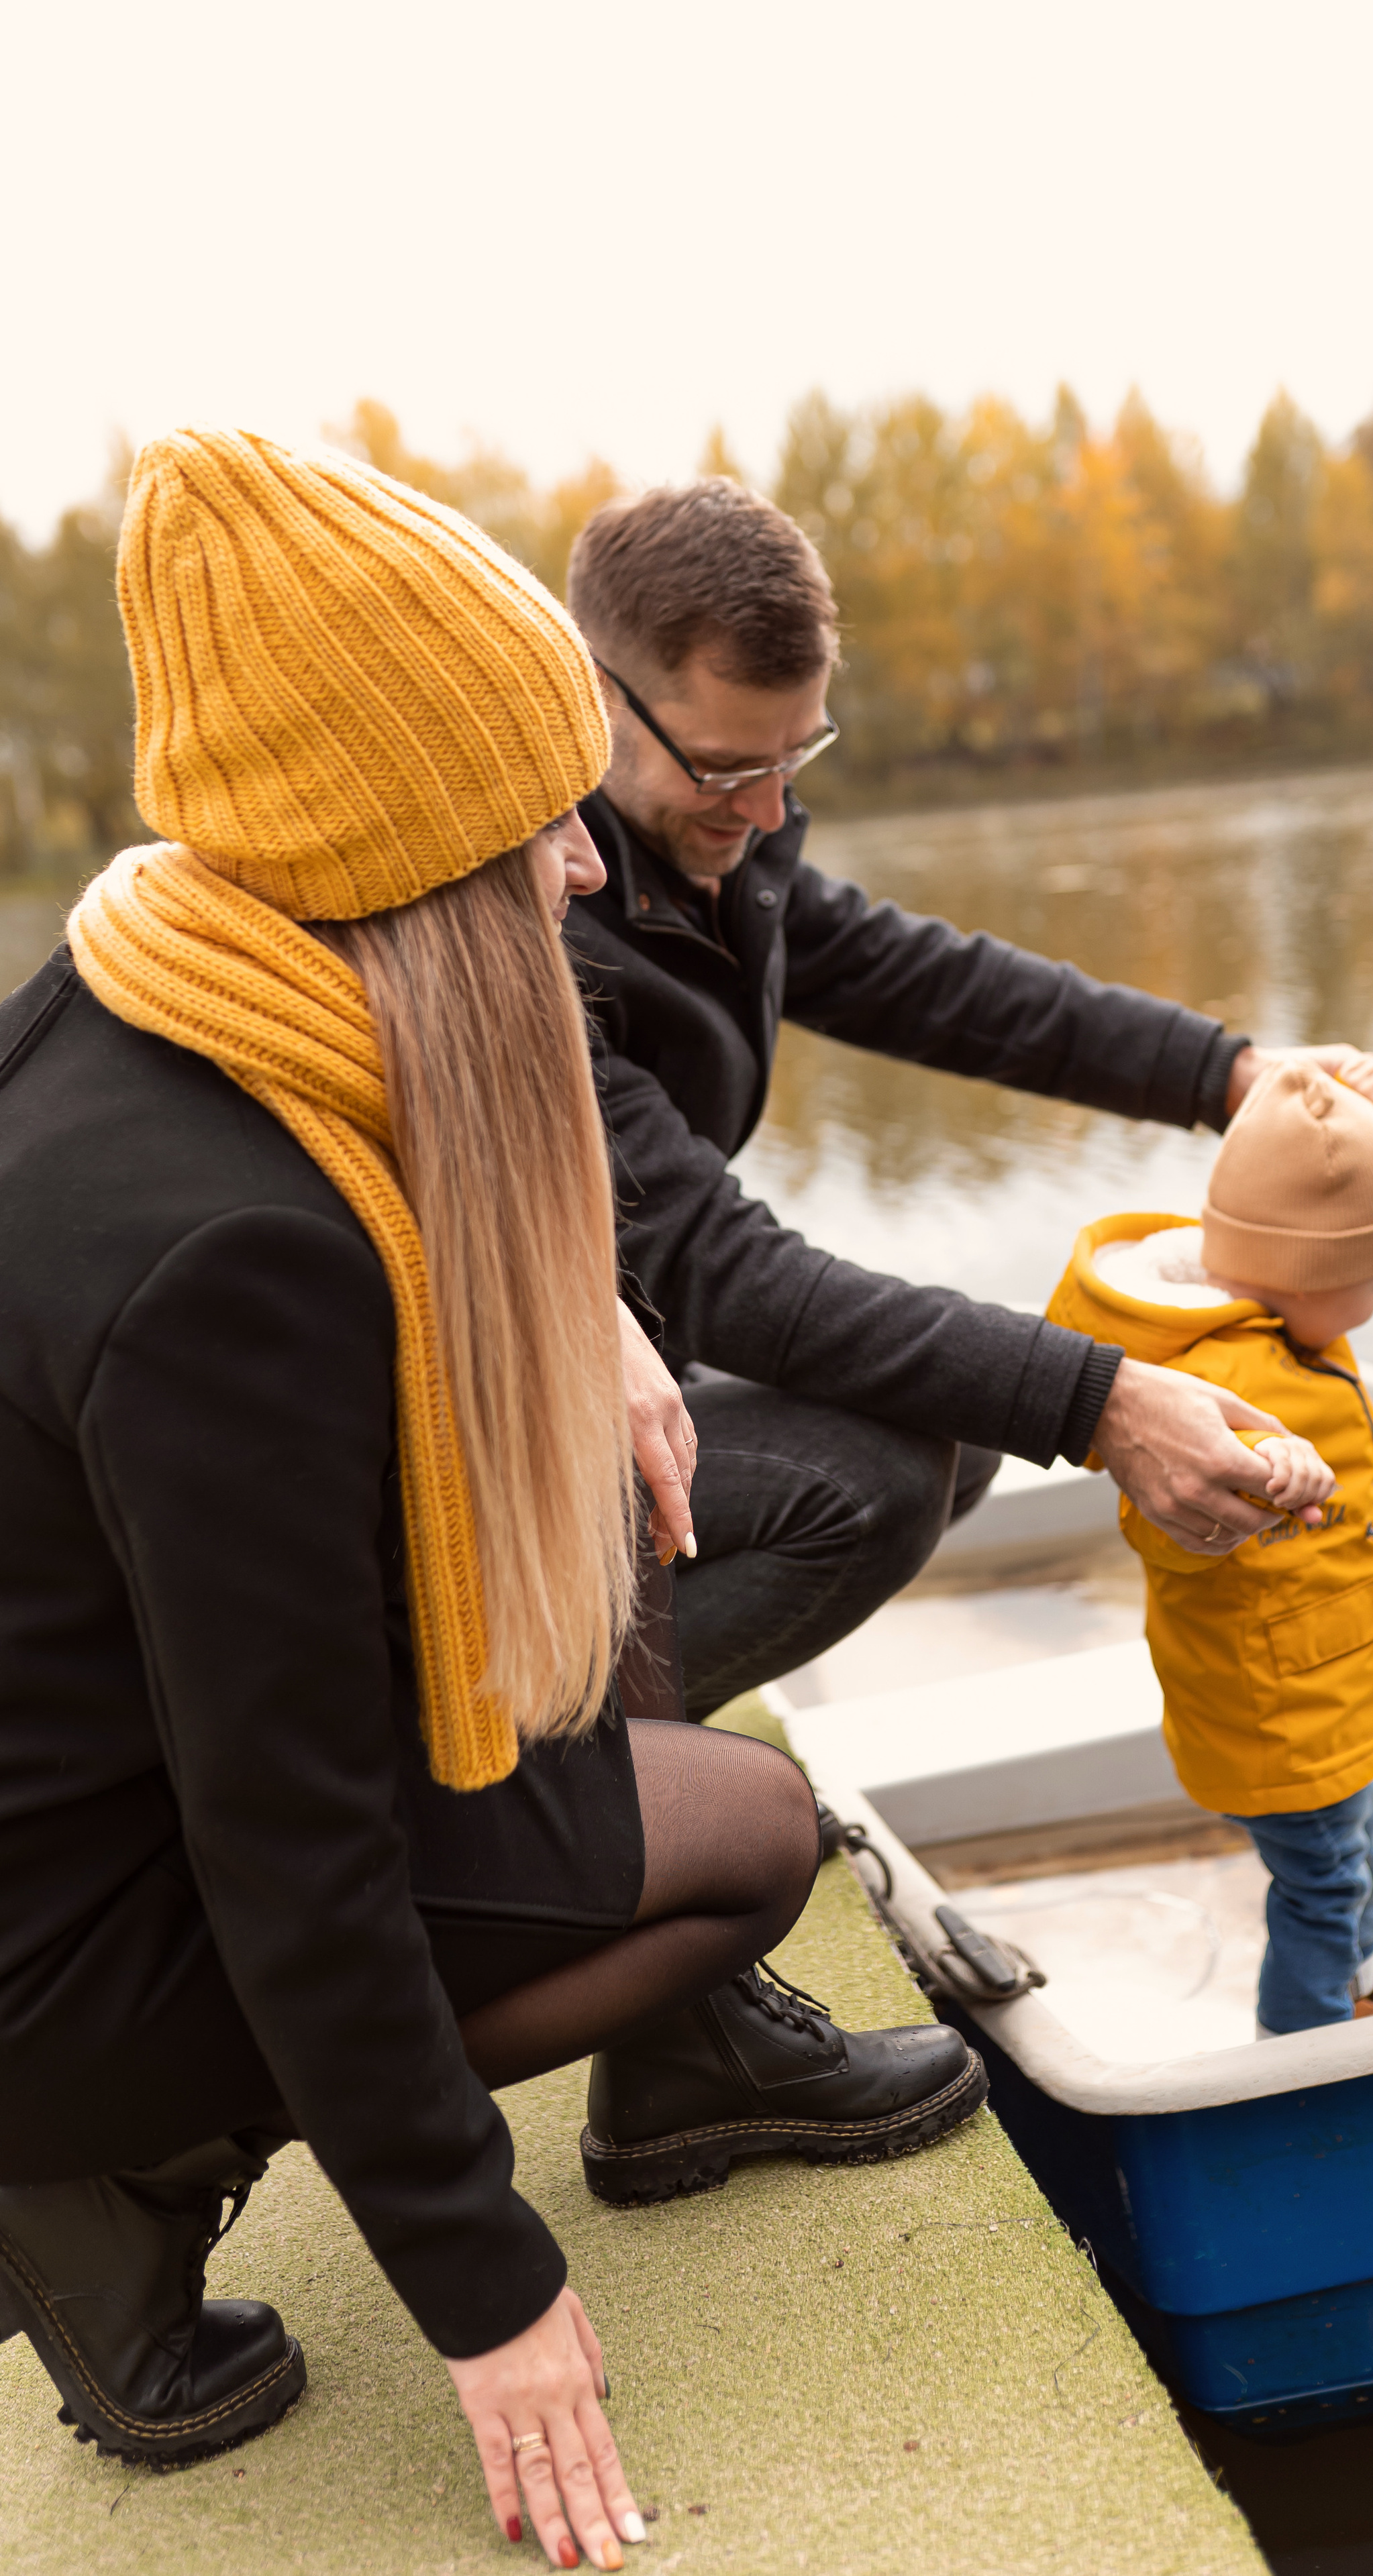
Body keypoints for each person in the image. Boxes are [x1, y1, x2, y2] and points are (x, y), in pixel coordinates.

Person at [0, 430, 982, 2553]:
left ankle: (663, 2066)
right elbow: (287, 1830)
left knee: (611, 1553)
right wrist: (486, 2281)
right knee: (749, 1840)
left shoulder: (151, 994)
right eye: (533, 817)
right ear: (394, 841)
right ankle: (117, 2173)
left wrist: (585, 1318)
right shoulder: (223, 1255)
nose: (581, 868)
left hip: (79, 1813)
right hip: (57, 1949)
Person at [560, 478, 1373, 1717]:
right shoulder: (531, 911)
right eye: (728, 767)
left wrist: (1233, 1074)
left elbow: (937, 985)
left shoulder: (712, 843)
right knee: (880, 1479)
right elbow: (719, 1271)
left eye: (798, 755)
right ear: (592, 694)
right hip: (465, 1442)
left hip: (624, 1379)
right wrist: (1102, 1399)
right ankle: (523, 1787)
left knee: (952, 1435)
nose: (771, 809)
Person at [1046, 1062, 1373, 2036]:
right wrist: (1263, 1474)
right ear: (1311, 1274)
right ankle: (1306, 2052)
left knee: (1364, 1839)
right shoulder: (1215, 1383)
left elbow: (1314, 1213)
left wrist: (1361, 1129)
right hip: (1277, 1710)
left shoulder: (1287, 1319)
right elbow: (1165, 1527)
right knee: (1323, 1889)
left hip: (1332, 1685)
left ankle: (1356, 1990)